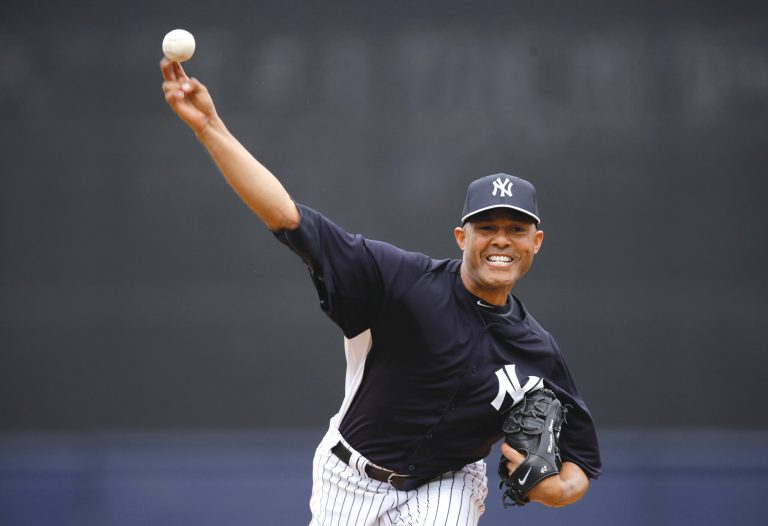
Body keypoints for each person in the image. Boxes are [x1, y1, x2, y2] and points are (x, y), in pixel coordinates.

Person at [160, 58, 601, 525]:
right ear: (461, 237)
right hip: (349, 476)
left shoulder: (538, 352)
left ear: (536, 242)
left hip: (447, 483)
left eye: (516, 229)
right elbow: (288, 217)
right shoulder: (402, 282)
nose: (501, 241)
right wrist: (209, 127)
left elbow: (583, 461)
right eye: (487, 228)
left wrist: (559, 491)